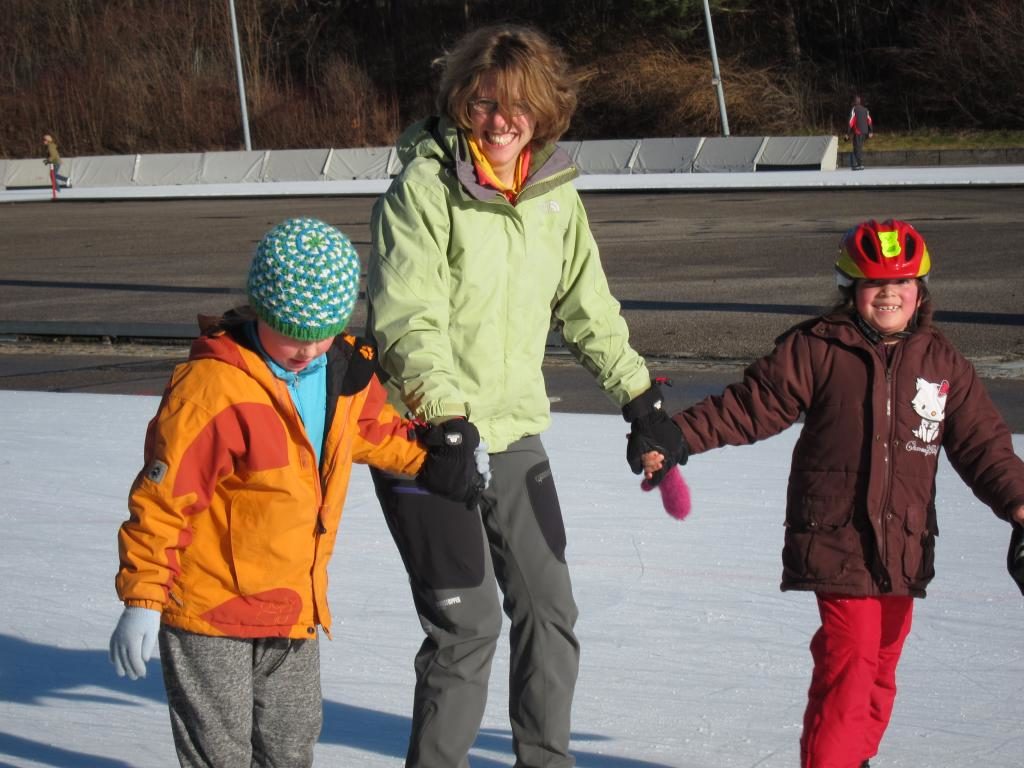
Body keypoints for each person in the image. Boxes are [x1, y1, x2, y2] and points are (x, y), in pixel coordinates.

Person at [365, 23, 677, 768]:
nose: (500, 121)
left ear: (545, 112)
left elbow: (586, 305)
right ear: (459, 104)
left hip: (511, 432)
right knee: (467, 626)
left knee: (550, 610)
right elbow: (409, 316)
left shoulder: (553, 195)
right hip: (422, 437)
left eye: (518, 107)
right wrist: (443, 414)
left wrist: (639, 398)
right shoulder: (424, 188)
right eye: (483, 104)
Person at [639, 219, 1024, 768]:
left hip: (906, 543)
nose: (889, 294)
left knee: (880, 667)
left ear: (921, 291)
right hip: (836, 536)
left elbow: (984, 444)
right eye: (874, 285)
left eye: (902, 283)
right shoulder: (817, 348)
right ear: (851, 291)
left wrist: (1018, 501)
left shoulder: (942, 364)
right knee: (851, 661)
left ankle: (852, 759)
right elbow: (753, 404)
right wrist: (679, 436)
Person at [109, 217, 488, 768]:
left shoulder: (339, 374)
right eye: (292, 332)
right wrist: (143, 599)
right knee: (221, 754)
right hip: (210, 610)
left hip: (291, 606)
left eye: (323, 332)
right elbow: (163, 502)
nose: (307, 349)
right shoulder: (213, 390)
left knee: (292, 745)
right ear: (262, 310)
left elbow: (371, 433)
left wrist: (437, 464)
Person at [845, 96, 873, 171]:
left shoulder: (854, 109)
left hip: (858, 131)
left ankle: (860, 164)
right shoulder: (865, 109)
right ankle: (859, 163)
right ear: (860, 102)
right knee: (859, 147)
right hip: (865, 132)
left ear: (854, 102)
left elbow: (851, 121)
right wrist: (871, 131)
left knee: (856, 148)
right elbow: (869, 120)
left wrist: (847, 133)